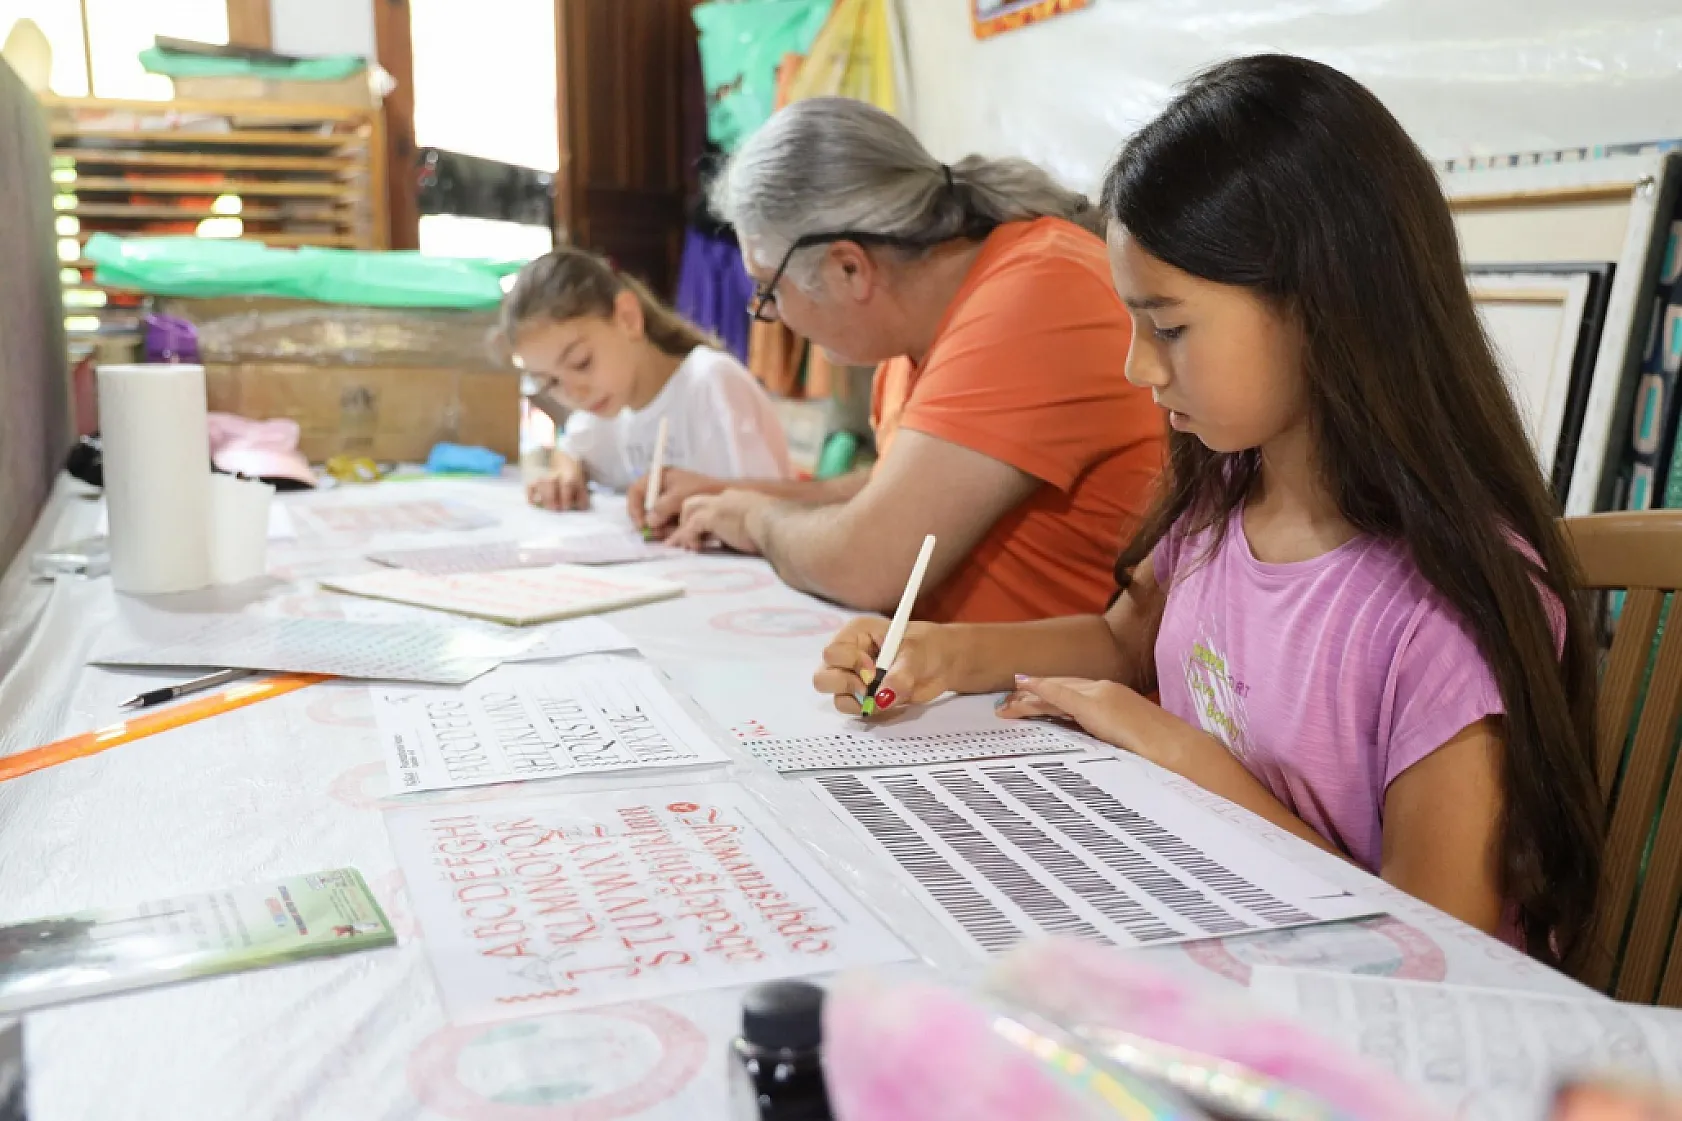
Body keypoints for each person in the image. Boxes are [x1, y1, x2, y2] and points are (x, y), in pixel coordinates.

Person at [813, 56, 1603, 968]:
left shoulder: (1440, 614)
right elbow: (1123, 640)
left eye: (1171, 326)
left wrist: (1181, 755)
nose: (1137, 368)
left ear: (1322, 304)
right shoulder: (1228, 497)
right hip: (1212, 933)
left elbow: (1437, 955)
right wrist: (945, 653)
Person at [645, 97, 1165, 622]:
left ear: (849, 267)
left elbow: (867, 562)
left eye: (767, 290)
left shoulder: (1035, 295)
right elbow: (897, 493)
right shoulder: (917, 330)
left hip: (1063, 697)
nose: (769, 313)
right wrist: (731, 495)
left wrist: (757, 519)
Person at [502, 246, 792, 511]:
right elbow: (571, 452)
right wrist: (565, 475)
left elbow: (779, 503)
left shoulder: (711, 382)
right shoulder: (608, 407)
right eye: (550, 382)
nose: (573, 393)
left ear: (628, 318)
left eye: (581, 362)